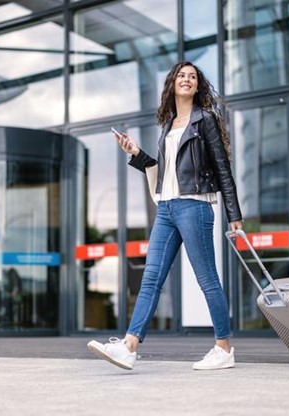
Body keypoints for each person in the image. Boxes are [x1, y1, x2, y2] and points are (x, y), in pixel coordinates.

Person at [87, 61, 243, 371]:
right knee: (150, 279)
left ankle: (224, 348)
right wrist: (135, 152)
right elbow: (165, 172)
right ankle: (129, 347)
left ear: (198, 86)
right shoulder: (169, 124)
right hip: (167, 208)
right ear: (172, 83)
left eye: (193, 77)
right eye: (181, 75)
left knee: (207, 279)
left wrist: (234, 213)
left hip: (194, 206)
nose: (187, 80)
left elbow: (223, 169)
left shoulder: (205, 120)